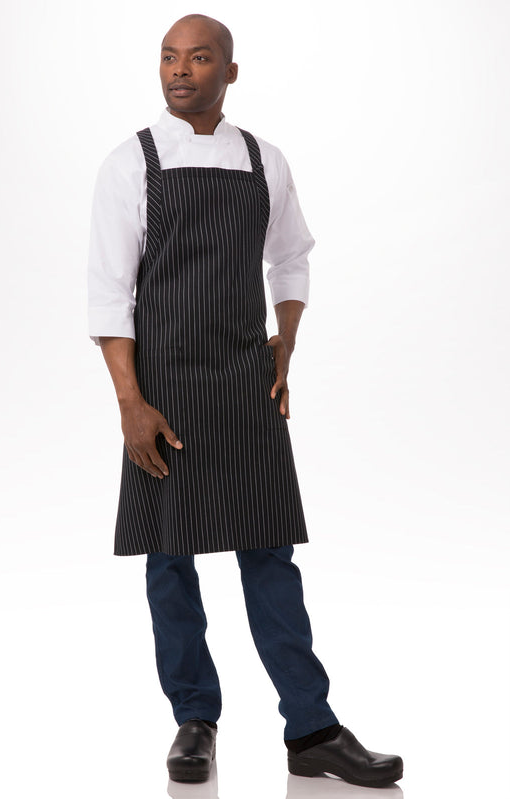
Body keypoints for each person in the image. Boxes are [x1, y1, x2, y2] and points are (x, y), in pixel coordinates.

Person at [87, 13, 403, 789]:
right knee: (170, 559)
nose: (179, 70)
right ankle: (194, 719)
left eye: (198, 58)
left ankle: (311, 728)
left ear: (229, 72)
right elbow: (108, 293)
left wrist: (284, 342)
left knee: (268, 554)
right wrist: (130, 402)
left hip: (243, 380)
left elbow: (290, 257)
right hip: (163, 384)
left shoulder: (264, 160)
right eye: (168, 57)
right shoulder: (131, 162)